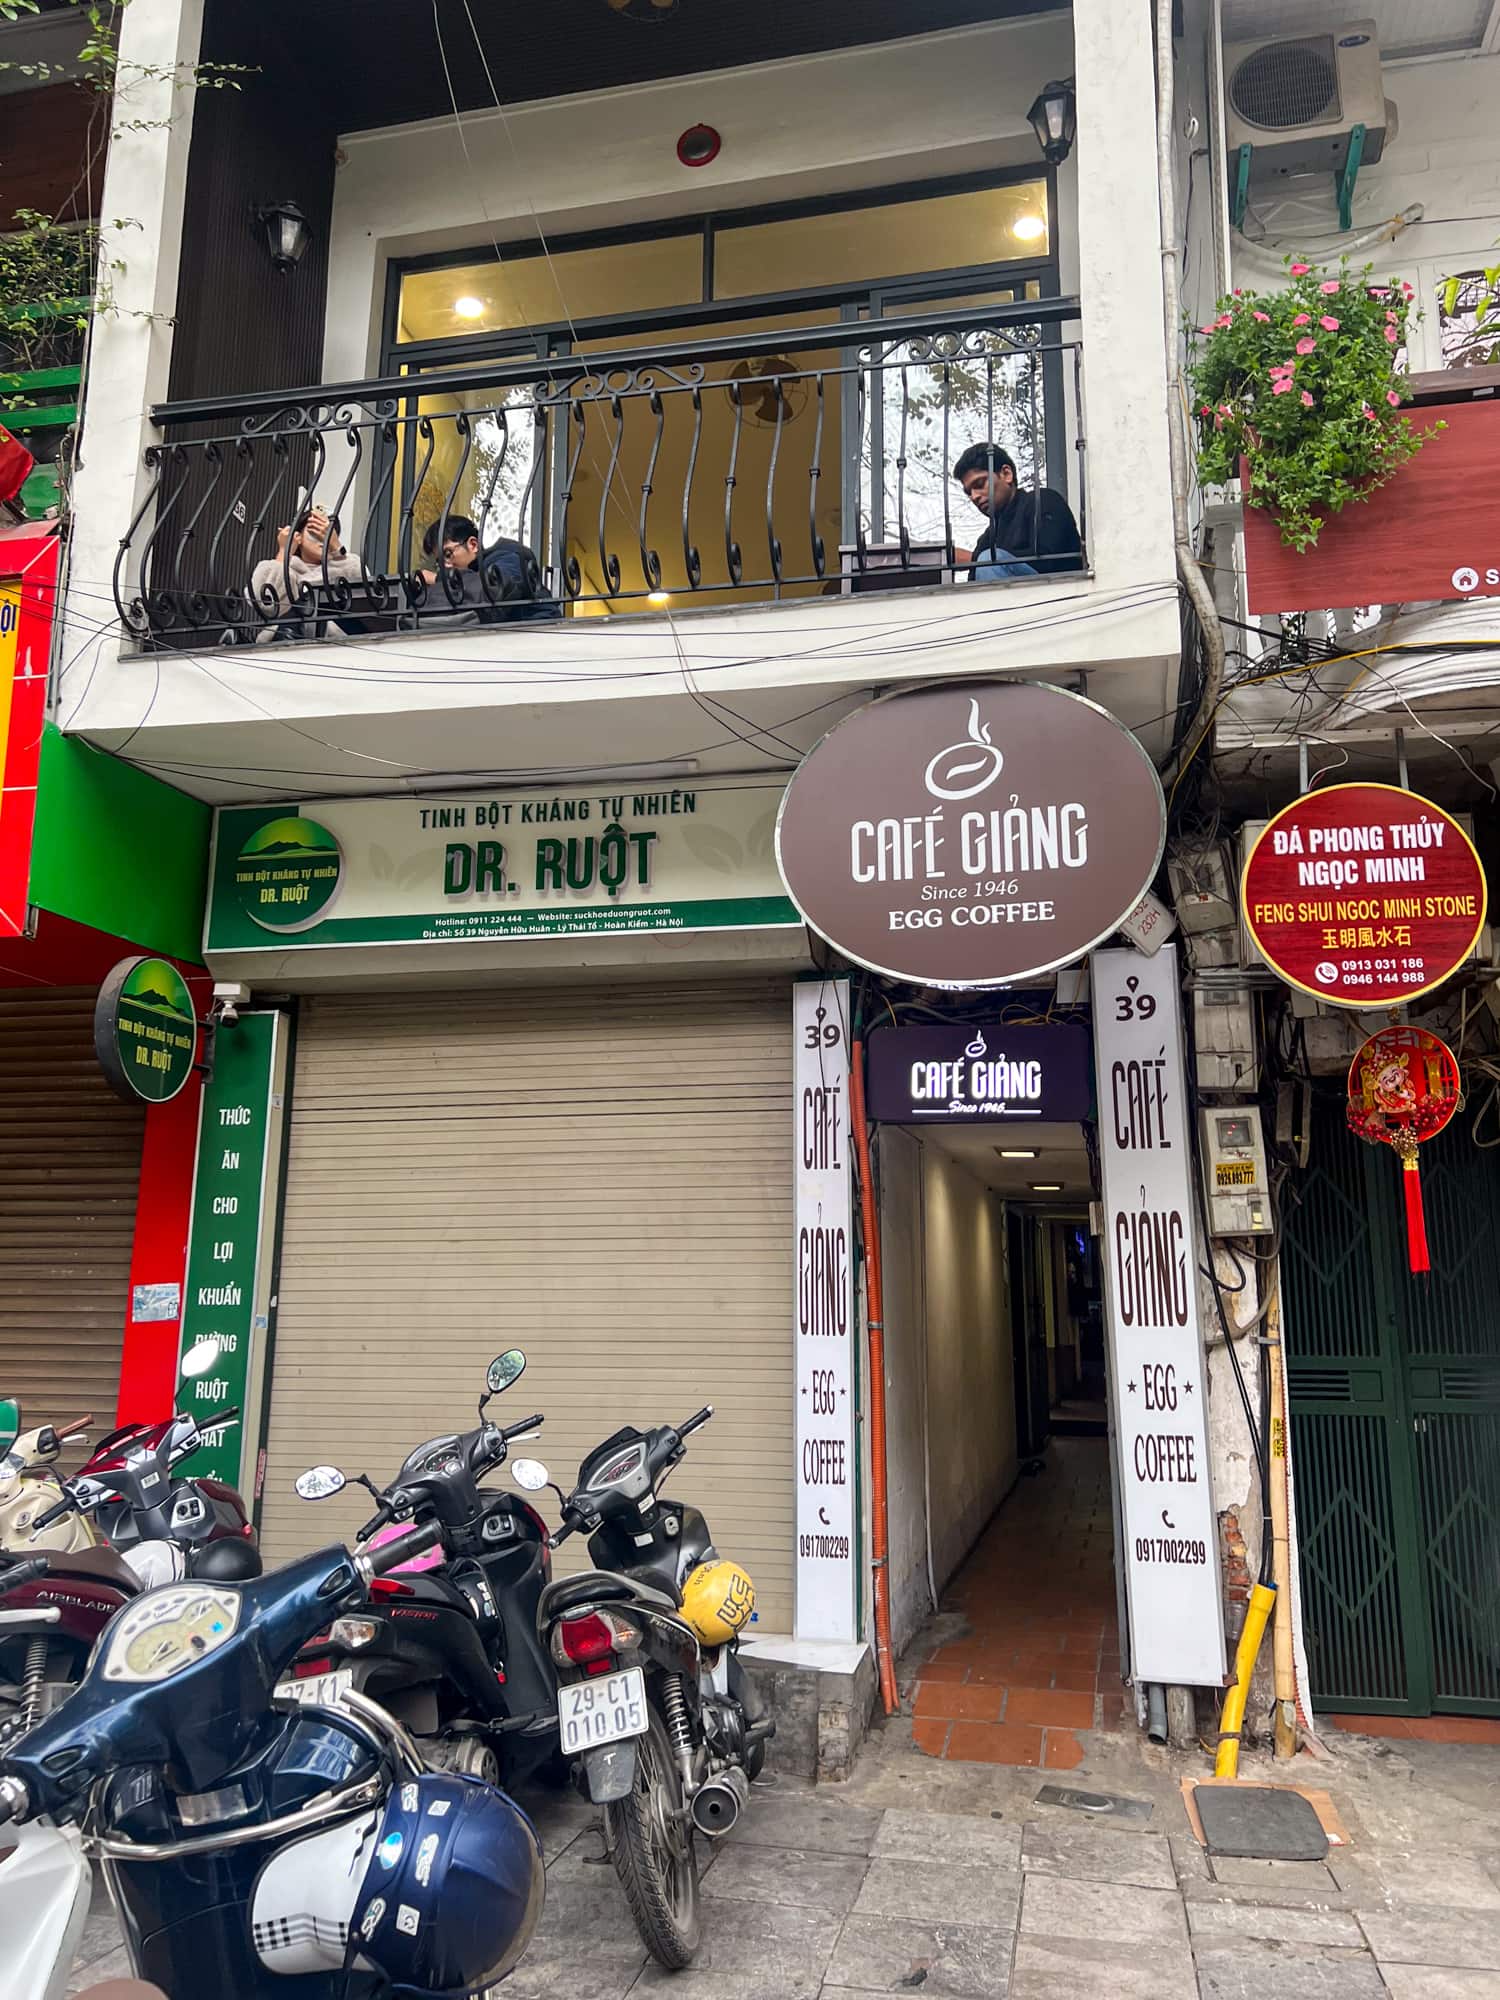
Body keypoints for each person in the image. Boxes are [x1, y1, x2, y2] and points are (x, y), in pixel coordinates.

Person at [951, 442, 1083, 581]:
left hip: (1060, 596)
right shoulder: (988, 537)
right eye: (969, 493)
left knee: (989, 560)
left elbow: (1049, 561)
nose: (974, 496)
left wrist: (977, 559)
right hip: (1015, 598)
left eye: (979, 484)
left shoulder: (1042, 501)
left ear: (1006, 474)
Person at [248, 504, 365, 638]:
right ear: (298, 536)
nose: (321, 539)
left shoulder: (344, 566)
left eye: (326, 533)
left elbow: (365, 594)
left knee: (308, 603)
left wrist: (337, 549)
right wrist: (283, 552)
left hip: (333, 641)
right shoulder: (286, 570)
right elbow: (264, 603)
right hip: (282, 638)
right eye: (313, 532)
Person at [420, 513, 559, 621]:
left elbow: (497, 589)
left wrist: (438, 578)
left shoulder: (508, 557)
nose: (445, 565)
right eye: (440, 561)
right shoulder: (468, 579)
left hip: (541, 636)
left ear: (473, 545)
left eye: (448, 554)